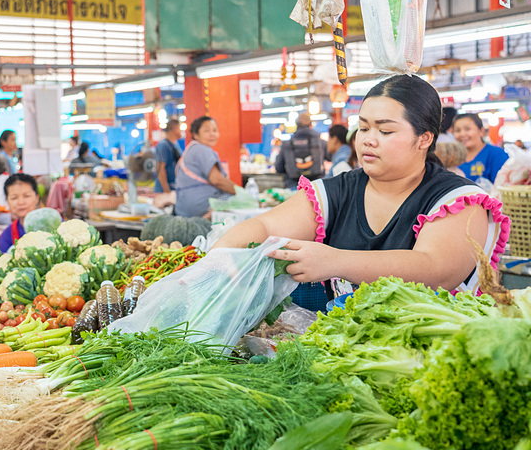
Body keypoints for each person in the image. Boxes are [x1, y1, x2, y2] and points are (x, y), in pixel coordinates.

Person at [213, 75, 509, 297]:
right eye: (364, 128)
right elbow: (264, 227)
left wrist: (335, 261)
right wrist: (216, 260)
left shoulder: (457, 199)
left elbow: (435, 269)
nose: (368, 139)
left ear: (424, 139)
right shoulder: (336, 192)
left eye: (385, 130)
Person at [174, 116, 236, 217]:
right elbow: (217, 180)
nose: (212, 134)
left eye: (215, 130)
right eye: (206, 131)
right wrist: (242, 193)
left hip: (183, 208)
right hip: (200, 208)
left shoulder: (192, 148)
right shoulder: (201, 149)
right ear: (196, 135)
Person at [452, 113, 509, 184]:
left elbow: (502, 186)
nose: (462, 134)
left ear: (481, 131)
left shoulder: (497, 154)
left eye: (467, 129)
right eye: (457, 130)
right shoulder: (452, 158)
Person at [275, 113, 327, 188]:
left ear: (297, 126)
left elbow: (279, 167)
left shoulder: (287, 144)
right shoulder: (321, 143)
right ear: (311, 125)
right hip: (316, 186)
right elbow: (330, 157)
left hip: (294, 185)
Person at [0, 173, 41, 252]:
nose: (21, 202)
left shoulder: (55, 223)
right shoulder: (7, 236)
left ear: (37, 198)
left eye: (26, 196)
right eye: (14, 198)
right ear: (7, 201)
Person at [154, 118, 183, 193]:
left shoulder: (175, 145)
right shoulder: (163, 145)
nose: (181, 132)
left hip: (174, 188)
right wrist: (166, 190)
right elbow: (160, 168)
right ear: (175, 129)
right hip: (164, 191)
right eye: (180, 129)